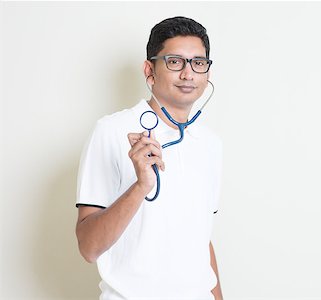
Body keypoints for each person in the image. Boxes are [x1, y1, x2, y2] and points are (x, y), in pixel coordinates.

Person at [75, 16, 223, 300]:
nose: (188, 74)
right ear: (150, 70)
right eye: (175, 62)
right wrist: (141, 185)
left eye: (198, 63)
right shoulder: (111, 131)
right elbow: (88, 248)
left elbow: (201, 238)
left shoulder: (210, 144)